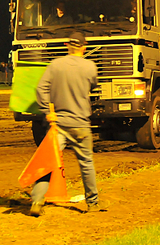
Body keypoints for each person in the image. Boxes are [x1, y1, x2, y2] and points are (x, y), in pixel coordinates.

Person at [30, 32, 101, 216]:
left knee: (49, 162)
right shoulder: (90, 67)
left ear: (67, 45)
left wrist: (48, 111)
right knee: (86, 163)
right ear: (84, 47)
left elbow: (41, 88)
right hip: (81, 124)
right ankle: (92, 203)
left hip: (59, 125)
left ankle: (37, 201)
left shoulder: (55, 65)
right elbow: (93, 86)